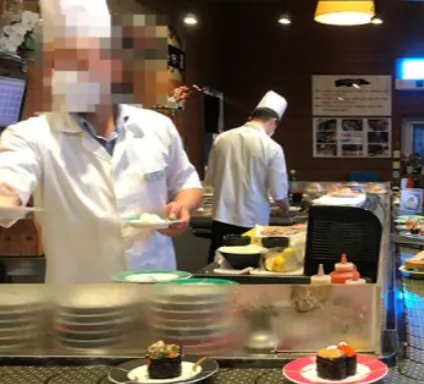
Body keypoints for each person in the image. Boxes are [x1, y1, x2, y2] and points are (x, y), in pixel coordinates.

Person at [0, 0, 202, 284]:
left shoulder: (157, 126)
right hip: (80, 296)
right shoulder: (32, 135)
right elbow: (10, 178)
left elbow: (187, 182)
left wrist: (181, 207)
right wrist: (7, 196)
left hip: (156, 285)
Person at [205, 91, 290, 262]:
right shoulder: (272, 147)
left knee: (218, 265)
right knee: (250, 267)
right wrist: (285, 209)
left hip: (222, 217)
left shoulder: (222, 138)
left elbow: (211, 179)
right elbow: (279, 193)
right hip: (253, 222)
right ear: (273, 122)